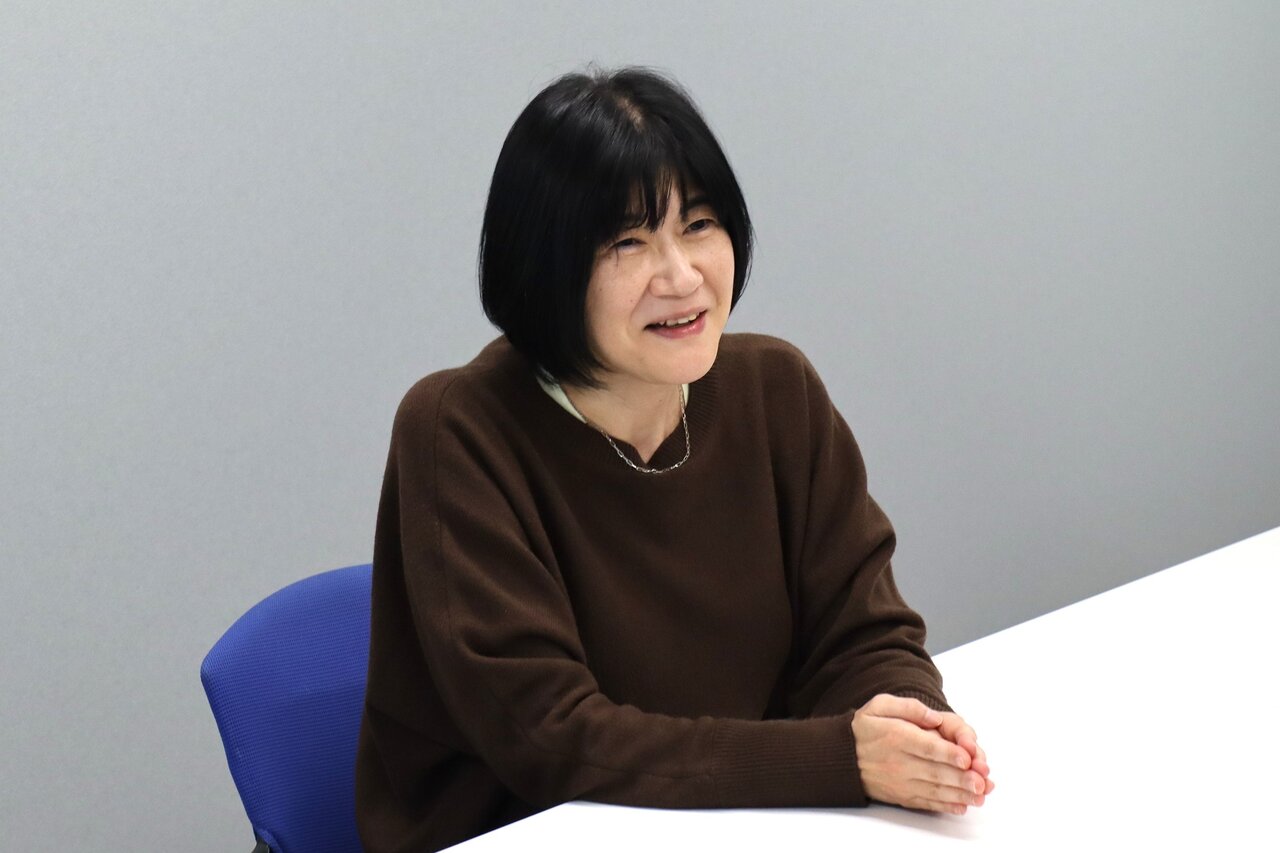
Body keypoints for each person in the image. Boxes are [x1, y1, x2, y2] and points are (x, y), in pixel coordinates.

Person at [356, 66, 994, 853]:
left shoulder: (776, 389)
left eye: (698, 224)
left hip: (752, 820)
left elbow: (864, 630)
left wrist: (909, 726)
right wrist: (837, 760)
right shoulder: (457, 431)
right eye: (628, 241)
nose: (683, 275)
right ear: (546, 264)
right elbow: (552, 738)